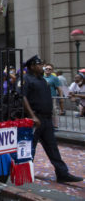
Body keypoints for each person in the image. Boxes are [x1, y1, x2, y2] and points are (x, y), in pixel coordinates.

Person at [22, 55, 82, 183]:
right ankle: (25, 172)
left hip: (46, 119)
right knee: (30, 148)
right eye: (39, 65)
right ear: (32, 66)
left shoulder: (42, 80)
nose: (41, 67)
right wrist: (32, 116)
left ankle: (62, 173)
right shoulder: (26, 79)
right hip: (35, 119)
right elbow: (23, 97)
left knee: (52, 147)